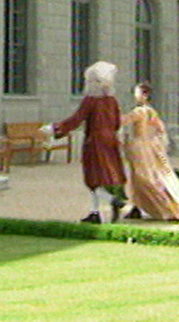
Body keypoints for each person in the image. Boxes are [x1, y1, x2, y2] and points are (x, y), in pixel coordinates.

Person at [42, 60, 126, 224]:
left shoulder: (91, 101)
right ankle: (95, 212)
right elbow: (117, 123)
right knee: (103, 178)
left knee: (93, 179)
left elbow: (76, 119)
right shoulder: (112, 101)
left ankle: (111, 200)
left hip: (95, 142)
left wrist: (55, 128)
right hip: (111, 142)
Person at [121, 82, 179, 226]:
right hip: (147, 146)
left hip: (140, 147)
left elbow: (124, 120)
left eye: (137, 92)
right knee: (139, 177)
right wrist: (156, 142)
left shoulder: (141, 111)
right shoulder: (151, 111)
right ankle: (136, 206)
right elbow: (160, 128)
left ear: (145, 95)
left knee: (142, 177)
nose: (135, 95)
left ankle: (162, 207)